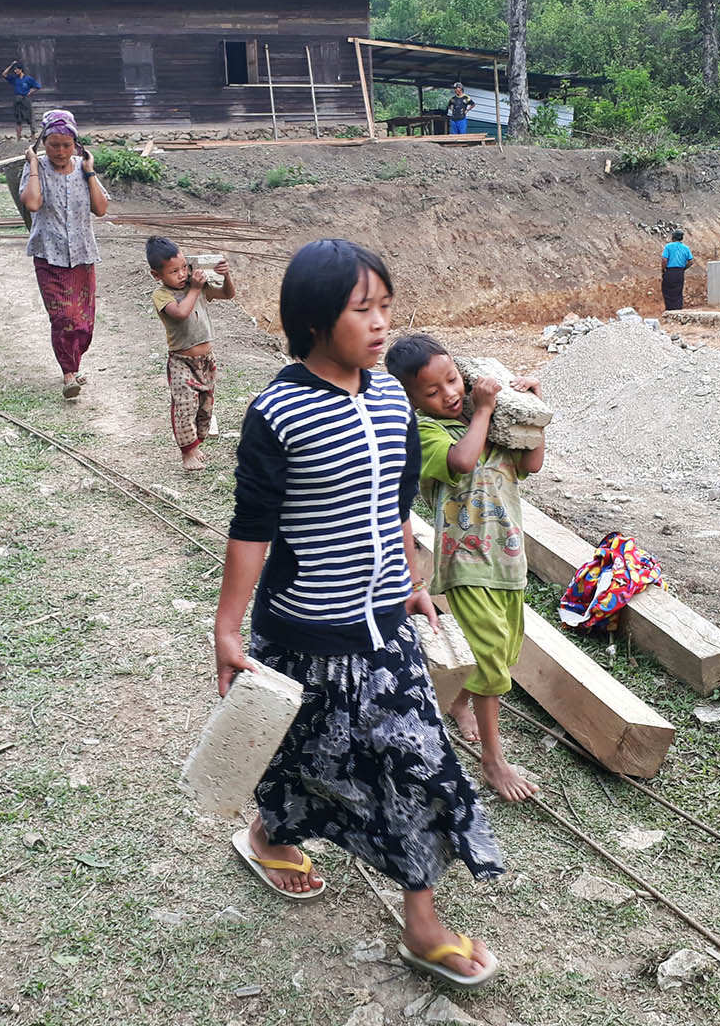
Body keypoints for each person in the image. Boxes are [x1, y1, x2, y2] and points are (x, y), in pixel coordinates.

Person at [214, 238, 504, 989]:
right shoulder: (277, 411)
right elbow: (252, 528)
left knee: (418, 763)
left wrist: (408, 579)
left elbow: (396, 505)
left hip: (383, 628)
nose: (380, 325)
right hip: (302, 632)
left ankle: (422, 925)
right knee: (300, 753)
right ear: (314, 319)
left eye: (385, 308)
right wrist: (227, 629)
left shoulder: (391, 399)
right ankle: (267, 837)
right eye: (361, 309)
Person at [385, 333, 545, 803]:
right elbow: (461, 461)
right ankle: (493, 761)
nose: (449, 393)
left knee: (502, 651)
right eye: (432, 391)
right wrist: (483, 410)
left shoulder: (490, 424)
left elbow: (532, 463)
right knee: (491, 657)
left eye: (453, 379)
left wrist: (531, 409)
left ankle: (458, 703)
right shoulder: (426, 432)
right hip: (466, 562)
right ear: (413, 400)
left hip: (508, 559)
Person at [20, 110, 108, 398]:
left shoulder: (83, 168)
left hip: (82, 254)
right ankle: (69, 373)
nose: (60, 151)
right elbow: (32, 203)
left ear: (76, 145)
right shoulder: (36, 168)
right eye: (53, 145)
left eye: (66, 145)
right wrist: (34, 165)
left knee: (83, 321)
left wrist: (90, 171)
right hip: (49, 255)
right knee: (63, 316)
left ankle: (74, 363)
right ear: (43, 143)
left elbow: (101, 209)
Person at [147, 237, 234, 471]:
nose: (182, 274)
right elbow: (180, 313)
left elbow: (227, 294)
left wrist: (226, 275)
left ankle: (196, 445)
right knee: (184, 405)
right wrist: (195, 289)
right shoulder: (162, 295)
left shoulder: (198, 287)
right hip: (181, 361)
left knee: (205, 405)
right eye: (174, 271)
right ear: (156, 275)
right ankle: (187, 453)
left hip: (207, 359)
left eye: (184, 267)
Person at [3, 61, 42, 141]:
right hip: (17, 99)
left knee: (30, 117)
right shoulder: (14, 79)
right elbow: (4, 74)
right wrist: (11, 65)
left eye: (16, 69)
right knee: (18, 118)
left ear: (21, 69)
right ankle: (18, 138)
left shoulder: (28, 79)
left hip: (25, 99)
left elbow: (37, 86)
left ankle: (33, 137)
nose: (15, 71)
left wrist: (30, 92)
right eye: (14, 70)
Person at [660, 228, 694, 310]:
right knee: (678, 292)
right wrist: (684, 268)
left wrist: (663, 269)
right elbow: (691, 261)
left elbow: (664, 259)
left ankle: (669, 309)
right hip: (680, 272)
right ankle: (678, 310)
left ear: (673, 237)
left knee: (667, 290)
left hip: (670, 271)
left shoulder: (668, 246)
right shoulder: (686, 248)